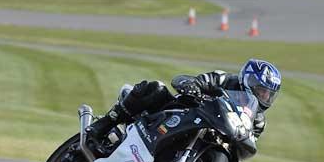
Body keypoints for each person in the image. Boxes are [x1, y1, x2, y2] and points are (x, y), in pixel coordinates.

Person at [87, 58, 281, 150]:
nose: (264, 97)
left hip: (206, 141)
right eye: (261, 90)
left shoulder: (258, 122)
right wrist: (192, 86)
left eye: (268, 94)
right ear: (248, 80)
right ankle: (104, 124)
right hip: (183, 112)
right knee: (154, 88)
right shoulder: (224, 80)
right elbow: (194, 80)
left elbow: (245, 147)